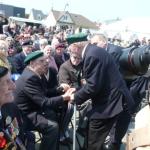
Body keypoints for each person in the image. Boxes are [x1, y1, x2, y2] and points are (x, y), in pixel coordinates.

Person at [70, 41, 134, 150]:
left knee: (93, 141)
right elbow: (97, 81)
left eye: (70, 50)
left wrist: (75, 97)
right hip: (111, 99)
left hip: (110, 103)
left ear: (76, 47)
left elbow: (93, 86)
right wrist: (77, 90)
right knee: (91, 132)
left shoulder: (91, 56)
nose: (70, 53)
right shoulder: (94, 51)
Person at [14, 51, 75, 150]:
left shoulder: (37, 73)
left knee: (59, 112)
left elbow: (44, 92)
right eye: (42, 61)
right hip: (25, 115)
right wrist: (65, 97)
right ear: (32, 63)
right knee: (52, 127)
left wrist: (60, 89)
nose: (46, 62)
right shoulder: (29, 77)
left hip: (34, 108)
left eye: (46, 60)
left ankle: (58, 140)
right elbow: (44, 102)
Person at [0, 53, 29, 150]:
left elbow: (19, 136)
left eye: (11, 80)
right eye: (6, 82)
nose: (14, 86)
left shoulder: (11, 107)